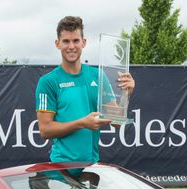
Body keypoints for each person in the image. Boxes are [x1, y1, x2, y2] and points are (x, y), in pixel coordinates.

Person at [35, 16, 136, 163]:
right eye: (66, 41)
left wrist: (126, 94)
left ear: (84, 42)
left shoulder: (98, 75)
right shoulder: (48, 82)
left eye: (76, 40)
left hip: (92, 167)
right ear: (57, 44)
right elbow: (45, 130)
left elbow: (116, 122)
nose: (71, 46)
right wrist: (82, 123)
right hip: (61, 168)